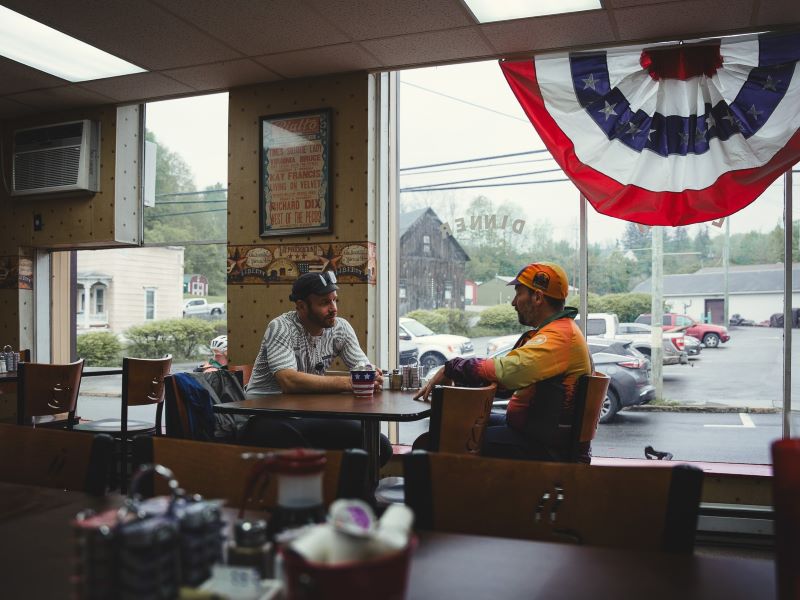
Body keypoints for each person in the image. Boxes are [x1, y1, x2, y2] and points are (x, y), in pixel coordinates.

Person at [415, 262, 592, 462]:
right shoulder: (561, 330)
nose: (514, 303)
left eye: (518, 294)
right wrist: (462, 379)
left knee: (438, 441)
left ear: (537, 297)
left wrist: (453, 367)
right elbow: (506, 380)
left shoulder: (559, 337)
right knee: (457, 423)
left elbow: (506, 372)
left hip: (543, 446)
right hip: (537, 432)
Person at [243, 271, 392, 464]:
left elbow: (362, 367)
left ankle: (345, 485)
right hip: (266, 414)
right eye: (324, 303)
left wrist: (372, 374)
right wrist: (351, 382)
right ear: (301, 306)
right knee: (308, 455)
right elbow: (289, 381)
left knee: (379, 448)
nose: (333, 309)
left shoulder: (340, 328)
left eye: (334, 300)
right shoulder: (281, 327)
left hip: (307, 413)